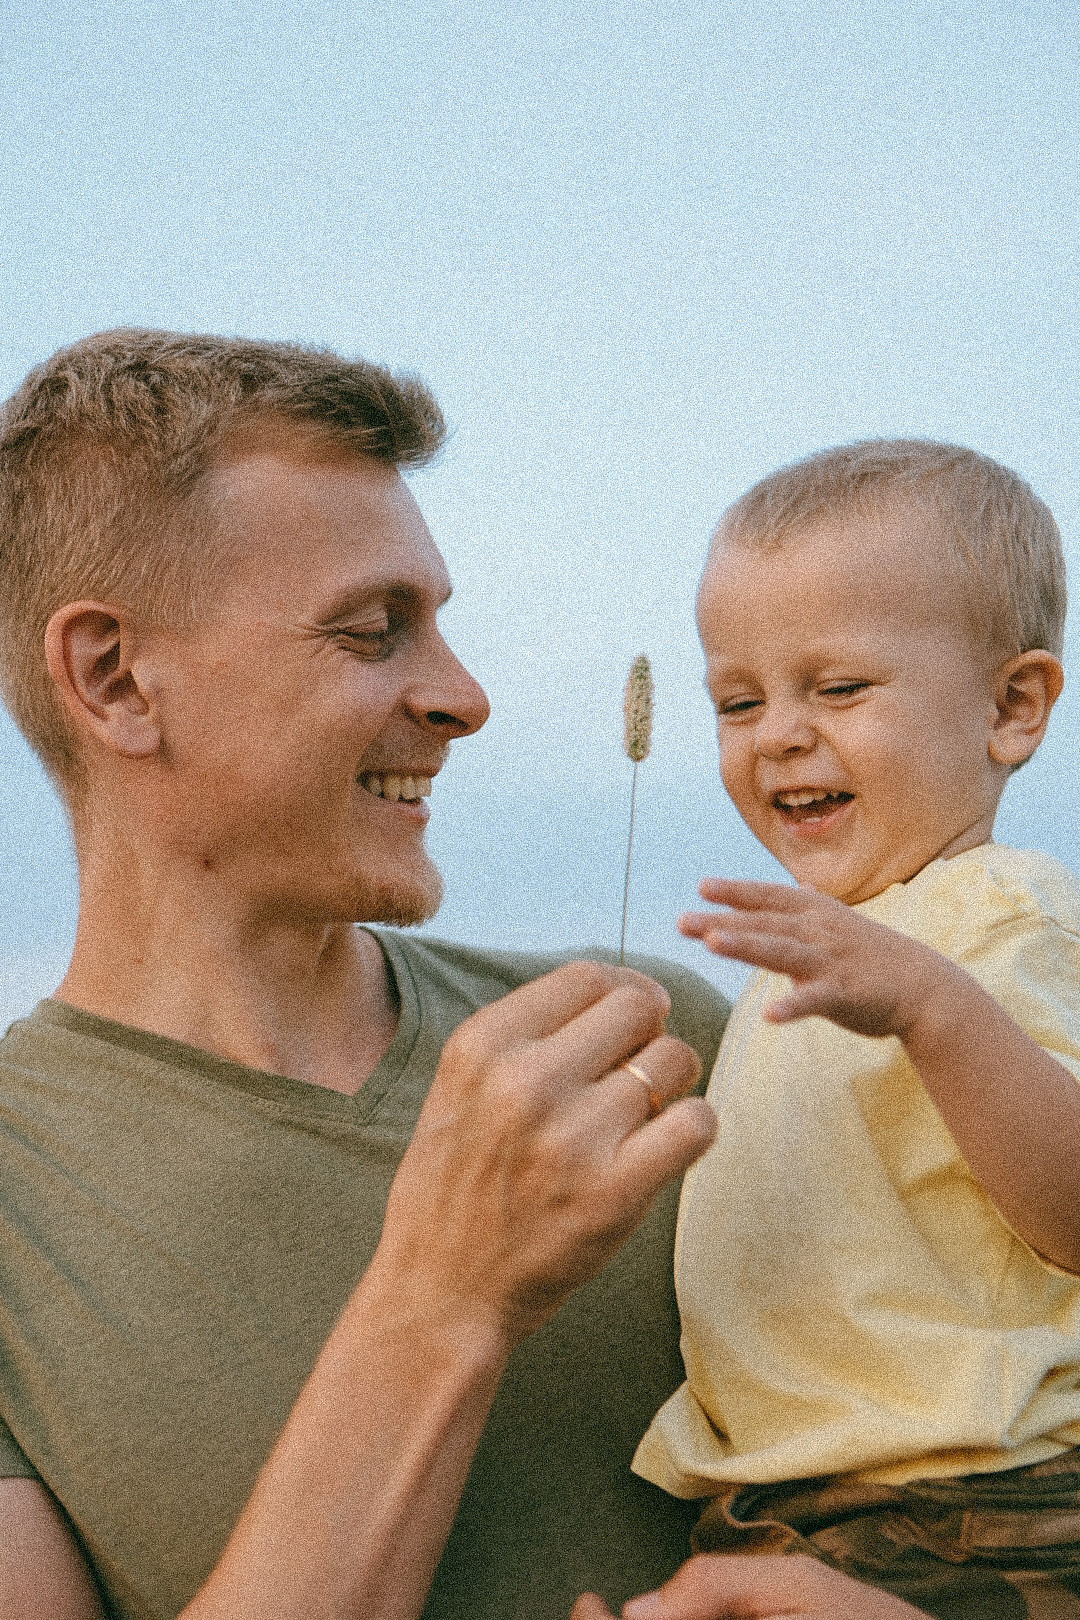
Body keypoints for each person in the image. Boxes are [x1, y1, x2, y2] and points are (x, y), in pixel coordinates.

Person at [0, 329, 727, 1620]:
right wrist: (443, 1298)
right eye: (373, 631)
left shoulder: (656, 1048)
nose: (464, 696)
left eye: (439, 624)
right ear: (114, 677)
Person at [627, 441, 1080, 1617]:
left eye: (838, 689)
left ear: (1010, 707)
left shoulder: (996, 912)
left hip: (975, 1500)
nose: (778, 732)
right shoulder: (828, 951)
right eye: (739, 700)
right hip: (799, 1503)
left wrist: (938, 1010)